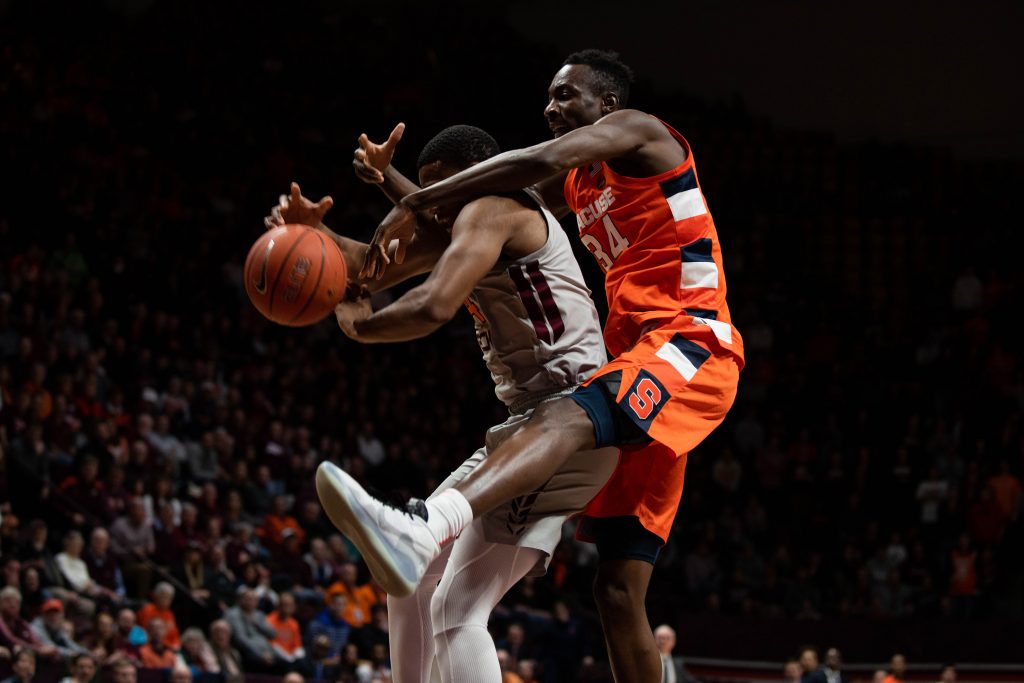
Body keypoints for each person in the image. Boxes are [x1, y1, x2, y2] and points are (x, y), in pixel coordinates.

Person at [316, 49, 743, 683]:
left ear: (607, 107)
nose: (550, 107)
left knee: (570, 416)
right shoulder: (581, 184)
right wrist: (366, 210)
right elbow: (465, 217)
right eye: (548, 97)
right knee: (618, 589)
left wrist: (415, 195)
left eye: (566, 95)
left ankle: (428, 524)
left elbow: (531, 163)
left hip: (690, 339)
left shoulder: (644, 134)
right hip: (637, 360)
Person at [277, 122, 617, 683]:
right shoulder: (468, 225)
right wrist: (313, 237)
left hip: (571, 422)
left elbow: (433, 306)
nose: (429, 203)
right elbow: (369, 267)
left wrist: (363, 329)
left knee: (457, 612)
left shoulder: (496, 210)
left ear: (477, 177)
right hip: (530, 426)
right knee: (408, 573)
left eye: (439, 187)